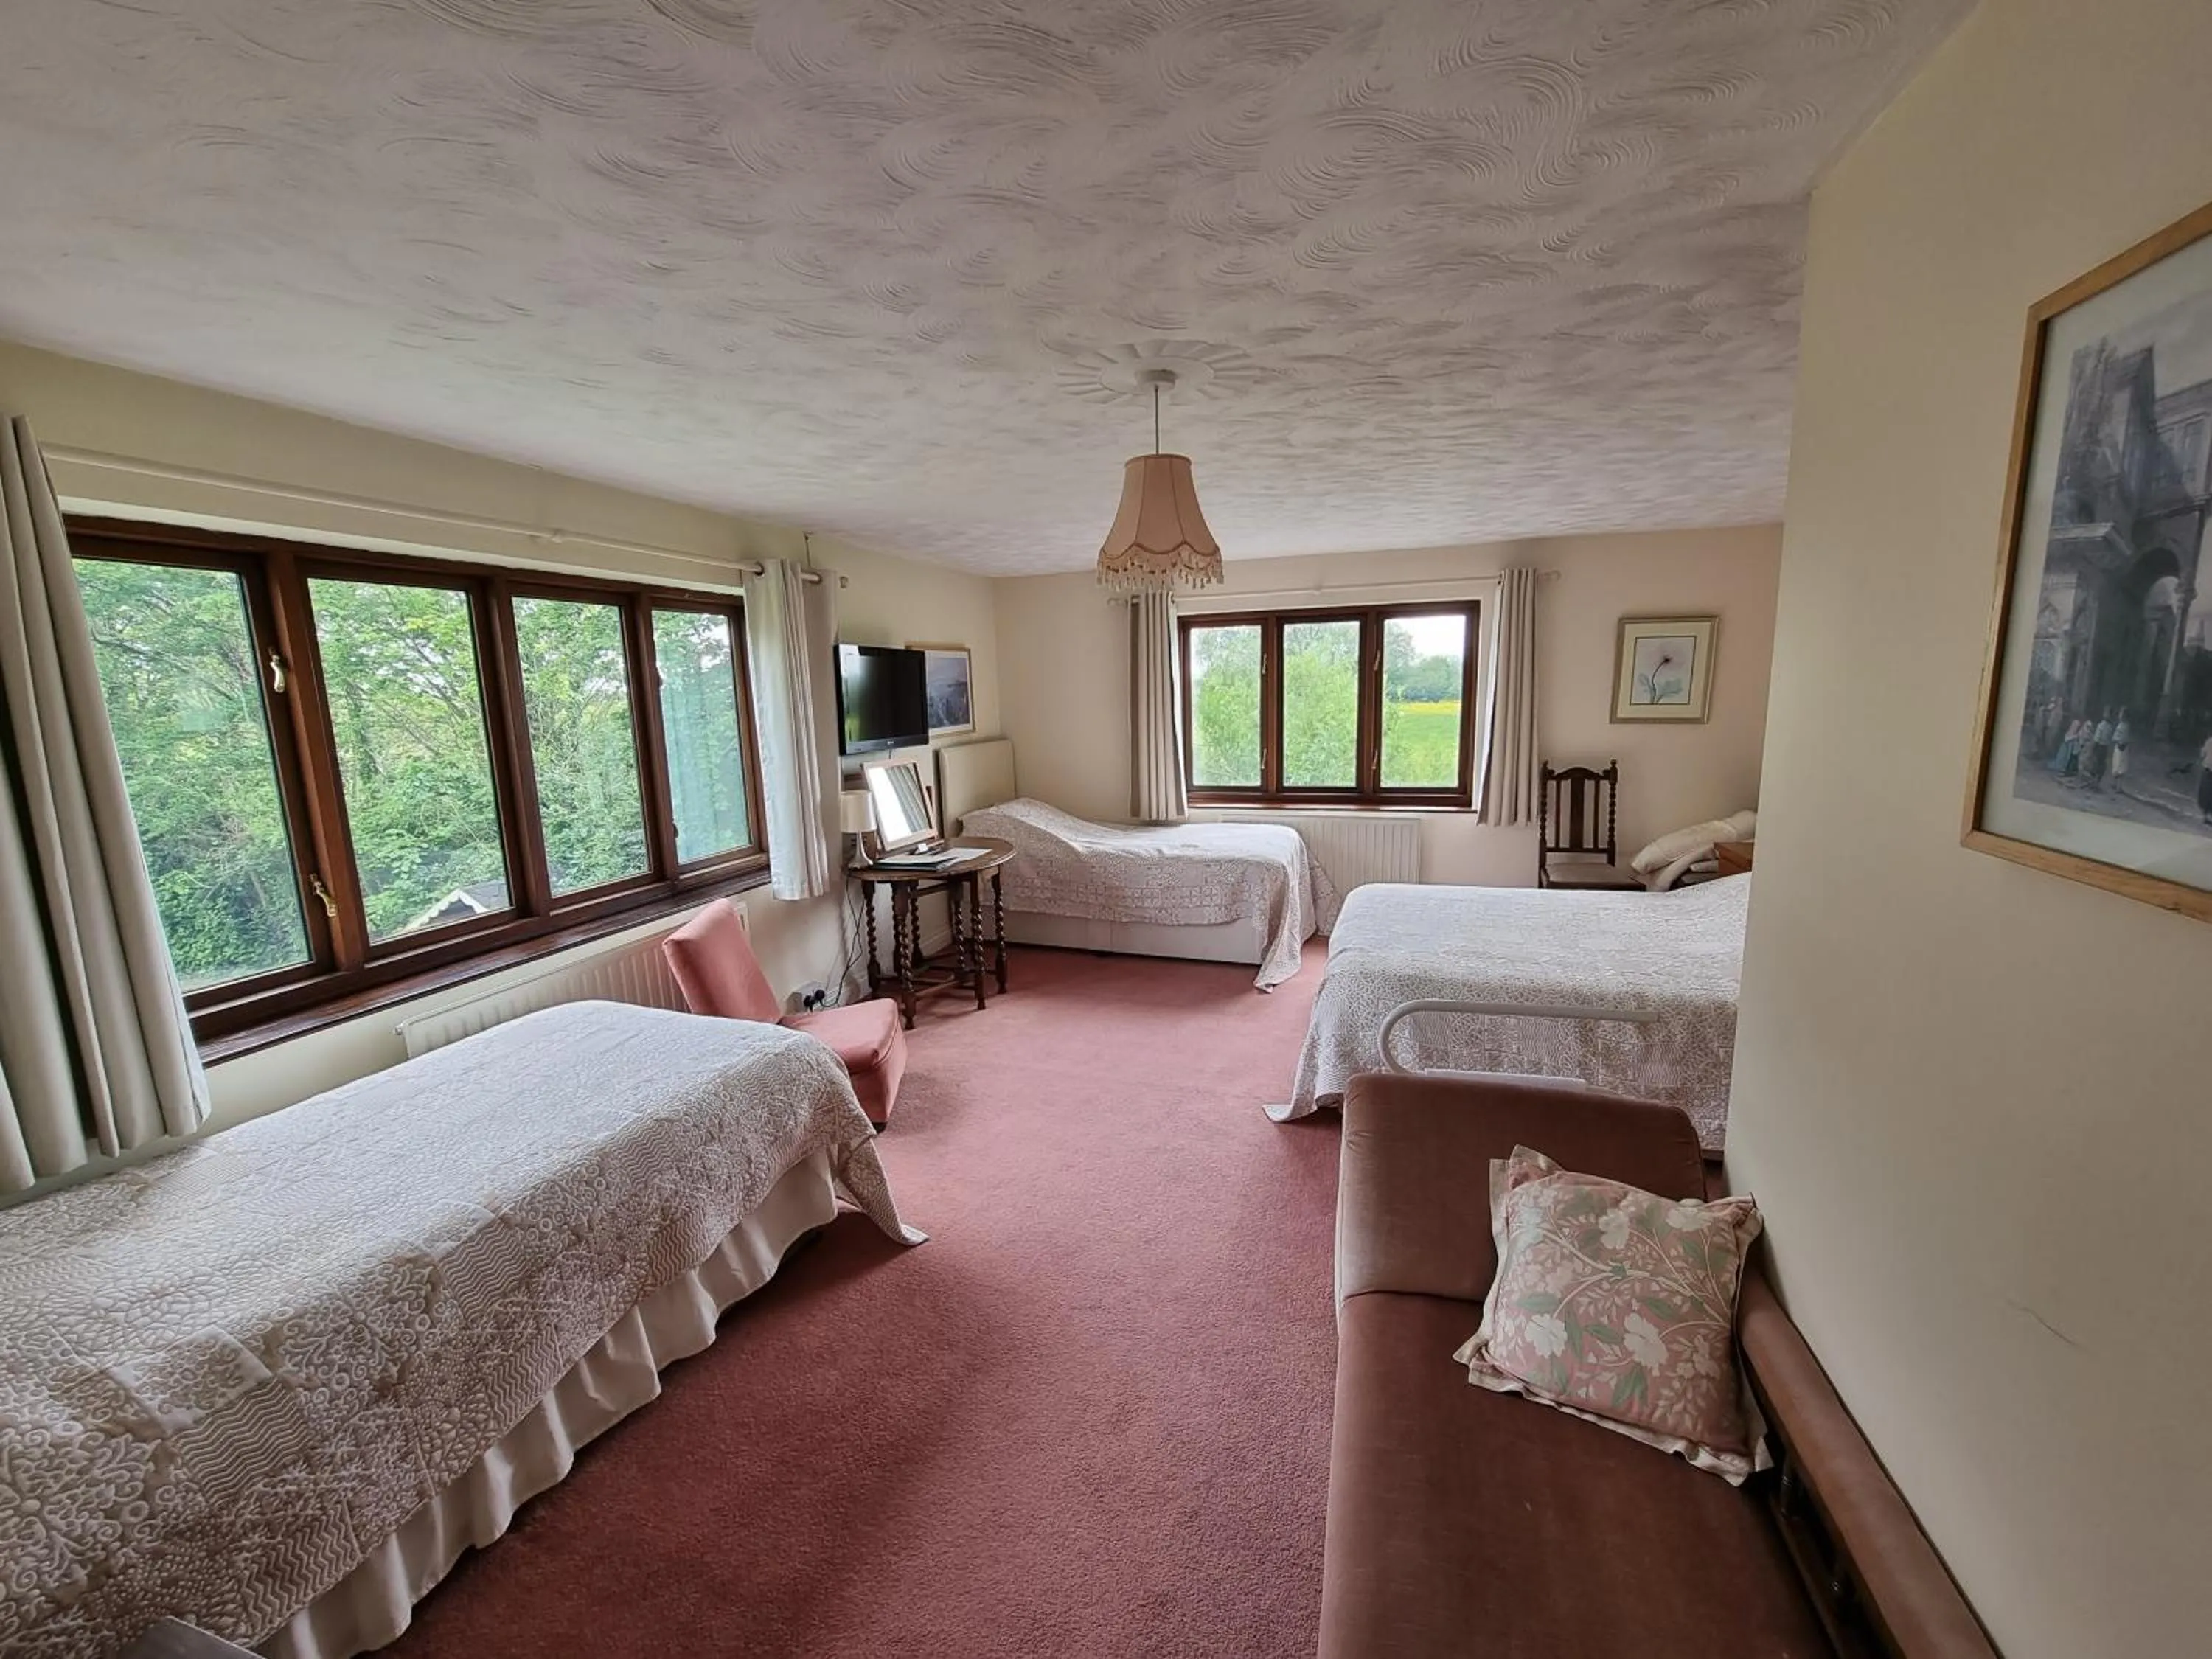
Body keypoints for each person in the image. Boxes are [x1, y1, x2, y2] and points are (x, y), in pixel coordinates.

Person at [2106, 713, 2130, 793]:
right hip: (2119, 747)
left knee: (2120, 767)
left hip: (2121, 747)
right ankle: (2115, 784)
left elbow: (2123, 738)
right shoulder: (2122, 725)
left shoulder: (2125, 726)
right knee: (2116, 765)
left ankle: (2118, 787)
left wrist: (2120, 742)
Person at [2199, 731, 2212, 826]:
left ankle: (2206, 814)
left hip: (2208, 769)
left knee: (2206, 793)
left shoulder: (2210, 741)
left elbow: (2202, 754)